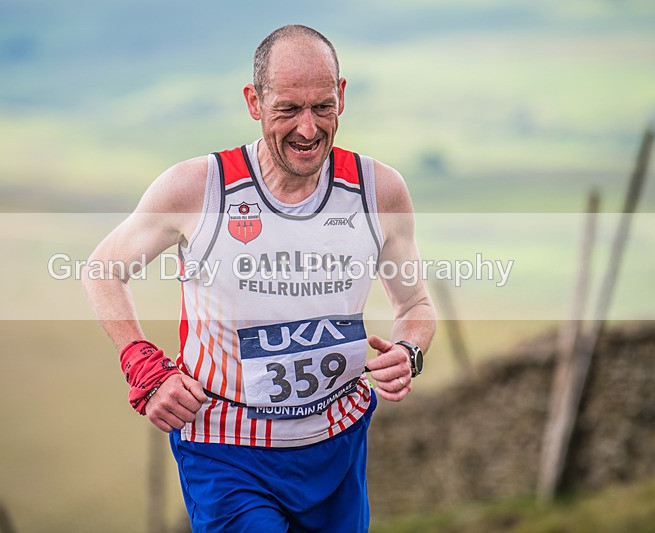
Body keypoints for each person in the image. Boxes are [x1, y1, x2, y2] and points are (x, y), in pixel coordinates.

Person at [82, 24, 436, 532]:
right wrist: (143, 364)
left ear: (342, 96)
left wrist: (410, 352)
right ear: (254, 101)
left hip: (338, 444)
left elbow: (415, 307)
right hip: (226, 450)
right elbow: (103, 269)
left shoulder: (378, 190)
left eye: (322, 107)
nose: (308, 130)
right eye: (288, 109)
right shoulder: (198, 188)